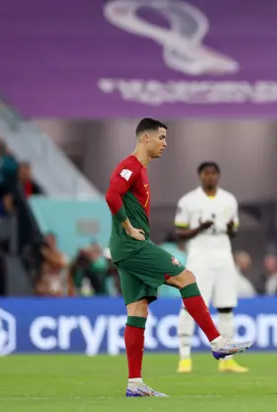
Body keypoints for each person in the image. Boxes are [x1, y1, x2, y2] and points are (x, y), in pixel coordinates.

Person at [104, 119, 251, 397]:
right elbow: (112, 196)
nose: (165, 143)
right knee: (187, 278)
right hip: (132, 245)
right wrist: (128, 227)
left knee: (137, 311)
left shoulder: (141, 170)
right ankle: (217, 341)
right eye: (161, 137)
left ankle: (134, 384)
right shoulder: (130, 166)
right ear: (145, 138)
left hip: (126, 249)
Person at [173, 161, 248, 374]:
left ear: (218, 175)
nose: (210, 177)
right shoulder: (188, 201)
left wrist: (232, 229)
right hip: (199, 257)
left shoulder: (229, 200)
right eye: (206, 174)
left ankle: (227, 359)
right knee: (190, 306)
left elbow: (233, 231)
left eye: (213, 173)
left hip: (224, 256)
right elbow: (179, 232)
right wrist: (199, 228)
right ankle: (185, 357)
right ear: (200, 176)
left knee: (226, 308)